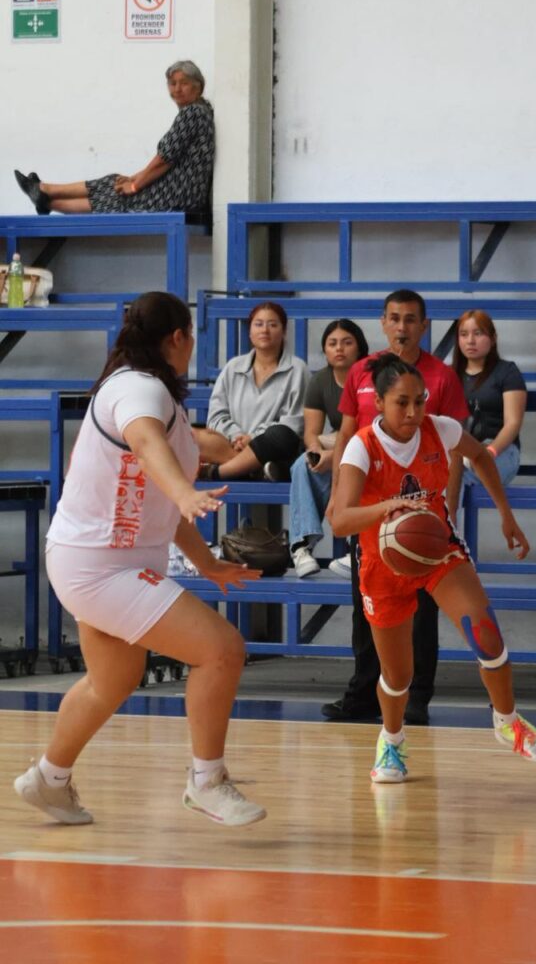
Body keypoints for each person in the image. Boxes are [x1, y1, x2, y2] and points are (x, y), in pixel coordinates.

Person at [13, 292, 266, 828]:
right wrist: (183, 491)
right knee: (221, 650)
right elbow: (146, 444)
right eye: (192, 336)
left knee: (114, 678)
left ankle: (48, 779)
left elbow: (157, 499)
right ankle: (207, 781)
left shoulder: (157, 397)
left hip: (92, 560)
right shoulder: (137, 388)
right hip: (100, 565)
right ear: (177, 337)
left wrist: (208, 564)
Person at [331, 353, 536, 782]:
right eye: (402, 402)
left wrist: (505, 514)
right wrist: (386, 508)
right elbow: (339, 519)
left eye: (420, 400)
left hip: (437, 550)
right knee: (398, 675)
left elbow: (483, 458)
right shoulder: (362, 446)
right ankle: (391, 741)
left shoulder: (441, 428)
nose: (414, 412)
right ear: (378, 402)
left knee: (486, 636)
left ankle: (507, 721)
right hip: (382, 563)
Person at [322, 289, 468, 726]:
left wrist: (450, 510)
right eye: (393, 318)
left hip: (420, 512)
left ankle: (417, 696)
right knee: (367, 609)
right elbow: (347, 435)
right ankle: (363, 692)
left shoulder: (441, 378)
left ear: (424, 326)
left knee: (422, 612)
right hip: (371, 513)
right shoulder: (363, 373)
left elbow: (456, 450)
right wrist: (336, 495)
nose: (401, 326)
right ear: (383, 323)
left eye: (410, 319)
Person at [14, 60, 214, 216]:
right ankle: (43, 193)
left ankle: (43, 194)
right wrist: (134, 178)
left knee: (118, 194)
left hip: (179, 195)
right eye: (172, 83)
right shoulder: (203, 111)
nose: (177, 89)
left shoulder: (192, 113)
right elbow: (168, 159)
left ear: (198, 87)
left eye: (184, 83)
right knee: (115, 183)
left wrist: (135, 185)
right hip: (183, 192)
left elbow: (164, 160)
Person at [289, 318, 369, 578]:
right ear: (324, 350)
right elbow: (312, 432)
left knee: (353, 464)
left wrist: (333, 455)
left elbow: (369, 433)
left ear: (359, 347)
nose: (339, 349)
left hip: (367, 445)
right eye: (332, 343)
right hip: (341, 442)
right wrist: (316, 454)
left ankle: (356, 546)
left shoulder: (371, 377)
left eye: (347, 343)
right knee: (302, 464)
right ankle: (302, 547)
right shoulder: (320, 380)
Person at [202, 301, 310, 483]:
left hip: (273, 451)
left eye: (273, 324)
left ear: (283, 331)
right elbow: (216, 416)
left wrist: (253, 439)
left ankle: (225, 471)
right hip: (231, 445)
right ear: (250, 332)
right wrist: (237, 437)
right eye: (258, 324)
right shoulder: (233, 367)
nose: (265, 330)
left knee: (282, 435)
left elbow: (295, 424)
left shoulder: (298, 369)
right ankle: (251, 469)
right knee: (196, 434)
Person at [449, 309, 527, 511]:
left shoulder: (507, 372)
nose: (470, 341)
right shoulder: (450, 374)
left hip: (500, 451)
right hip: (461, 453)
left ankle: (449, 538)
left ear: (493, 338)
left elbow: (513, 423)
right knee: (448, 474)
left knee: (453, 479)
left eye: (478, 333)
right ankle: (447, 536)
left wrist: (489, 452)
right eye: (464, 334)